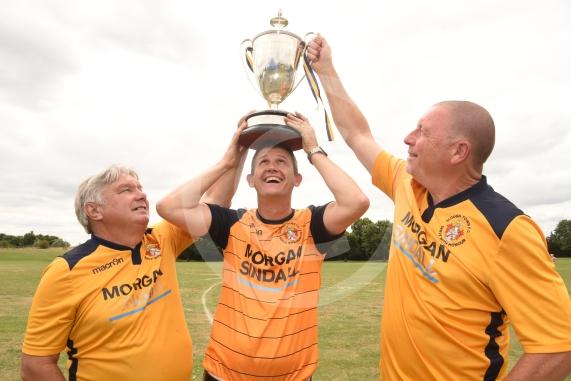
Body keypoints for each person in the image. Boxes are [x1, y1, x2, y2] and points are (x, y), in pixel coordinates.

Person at [306, 35, 571, 380]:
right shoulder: (407, 184)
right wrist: (327, 70)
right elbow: (358, 134)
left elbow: (558, 346)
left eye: (422, 132)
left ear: (458, 152)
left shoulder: (507, 228)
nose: (407, 138)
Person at [156, 113, 369, 381]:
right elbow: (169, 206)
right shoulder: (231, 223)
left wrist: (313, 149)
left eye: (282, 162)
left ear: (297, 179)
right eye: (263, 163)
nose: (272, 167)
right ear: (251, 180)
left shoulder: (312, 225)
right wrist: (226, 162)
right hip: (224, 374)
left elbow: (356, 202)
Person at [20, 163, 238, 381]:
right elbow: (36, 365)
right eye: (127, 190)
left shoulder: (161, 239)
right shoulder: (66, 270)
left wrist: (236, 155)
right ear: (94, 210)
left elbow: (215, 203)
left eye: (140, 188)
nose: (141, 195)